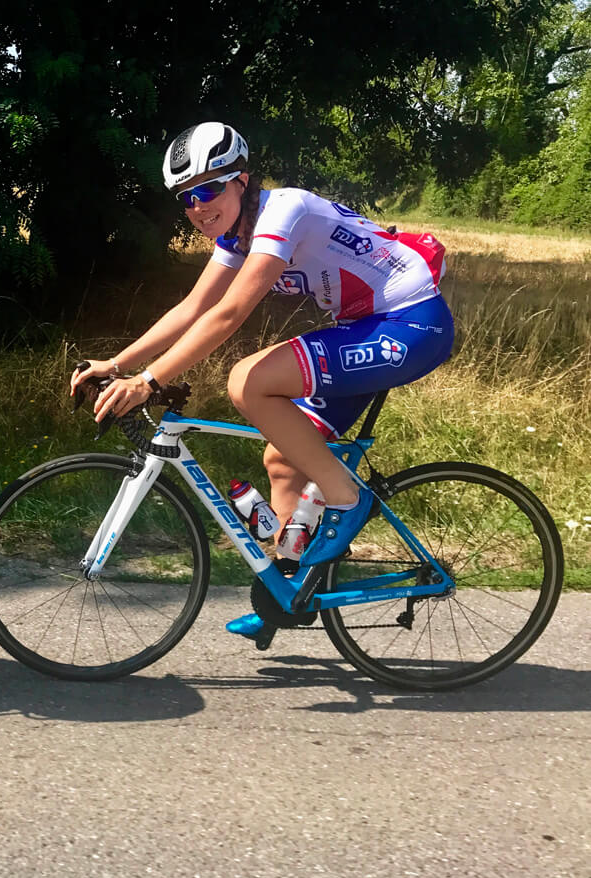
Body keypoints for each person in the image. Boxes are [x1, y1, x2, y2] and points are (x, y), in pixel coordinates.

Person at [70, 121, 452, 640]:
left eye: (208, 189)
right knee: (283, 461)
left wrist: (150, 381)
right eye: (186, 197)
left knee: (248, 381)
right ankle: (287, 594)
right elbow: (193, 307)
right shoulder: (237, 233)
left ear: (241, 182)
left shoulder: (283, 211)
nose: (198, 206)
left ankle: (349, 498)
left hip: (410, 323)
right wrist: (116, 365)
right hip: (366, 327)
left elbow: (228, 316)